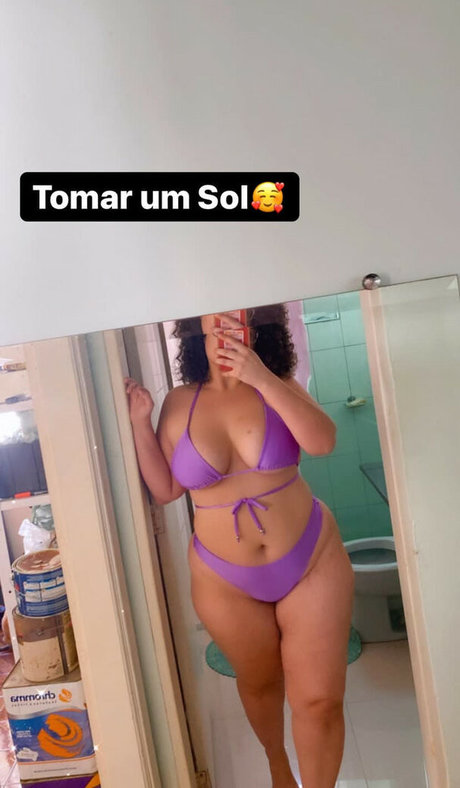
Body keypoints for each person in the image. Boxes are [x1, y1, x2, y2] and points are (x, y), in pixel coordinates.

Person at [125, 304, 354, 788]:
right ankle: (277, 765)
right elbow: (165, 490)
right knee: (260, 683)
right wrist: (141, 422)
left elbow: (323, 442)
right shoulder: (178, 402)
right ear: (196, 322)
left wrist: (262, 377)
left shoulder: (279, 383)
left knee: (319, 701)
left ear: (258, 318)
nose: (228, 317)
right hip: (222, 578)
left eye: (240, 308)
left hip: (310, 557)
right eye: (216, 310)